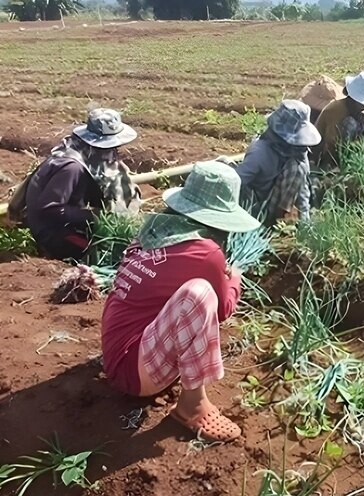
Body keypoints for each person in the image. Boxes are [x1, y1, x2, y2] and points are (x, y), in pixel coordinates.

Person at [101, 161, 260, 442]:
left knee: (190, 296)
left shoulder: (153, 231)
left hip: (118, 352)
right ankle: (192, 406)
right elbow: (222, 310)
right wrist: (234, 278)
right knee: (199, 294)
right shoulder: (205, 251)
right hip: (134, 375)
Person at [24, 108, 138, 259]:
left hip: (54, 225)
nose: (114, 152)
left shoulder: (76, 151)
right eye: (111, 148)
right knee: (110, 252)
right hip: (51, 234)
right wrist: (95, 217)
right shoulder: (72, 167)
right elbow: (49, 208)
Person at [233, 99, 321, 226]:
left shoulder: (297, 152)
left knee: (297, 168)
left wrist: (305, 221)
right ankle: (267, 222)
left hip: (277, 202)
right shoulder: (260, 153)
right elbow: (236, 182)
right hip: (256, 204)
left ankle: (279, 217)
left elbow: (302, 190)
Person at [313, 71, 364, 167]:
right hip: (324, 157)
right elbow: (331, 145)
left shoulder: (359, 114)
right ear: (353, 98)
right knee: (350, 123)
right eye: (362, 103)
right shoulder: (336, 111)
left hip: (345, 153)